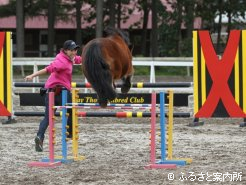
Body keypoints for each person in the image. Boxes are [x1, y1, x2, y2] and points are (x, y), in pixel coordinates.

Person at [25, 40, 82, 152]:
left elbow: (80, 59)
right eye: (72, 50)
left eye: (76, 49)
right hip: (61, 92)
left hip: (50, 92)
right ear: (65, 50)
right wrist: (32, 75)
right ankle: (69, 133)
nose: (75, 51)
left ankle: (39, 137)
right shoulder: (62, 62)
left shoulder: (70, 57)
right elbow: (48, 69)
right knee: (72, 110)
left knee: (48, 118)